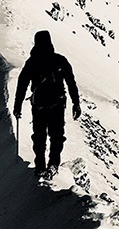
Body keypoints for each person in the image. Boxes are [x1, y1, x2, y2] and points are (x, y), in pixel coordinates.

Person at [13, 30, 81, 178]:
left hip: (39, 106)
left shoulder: (32, 63)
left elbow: (22, 84)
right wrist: (76, 103)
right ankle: (53, 165)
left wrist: (17, 106)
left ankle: (40, 167)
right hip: (57, 104)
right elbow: (71, 83)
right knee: (56, 136)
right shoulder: (60, 61)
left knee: (39, 137)